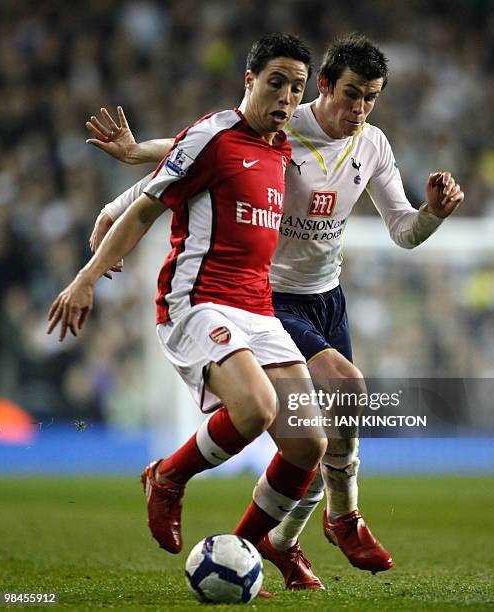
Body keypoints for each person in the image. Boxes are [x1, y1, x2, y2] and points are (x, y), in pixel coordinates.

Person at [85, 34, 465, 590]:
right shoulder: (285, 125)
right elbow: (197, 152)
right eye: (351, 94)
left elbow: (404, 232)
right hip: (269, 296)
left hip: (327, 297)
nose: (359, 109)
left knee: (321, 434)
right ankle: (343, 517)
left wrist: (432, 213)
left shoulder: (373, 145)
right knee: (346, 385)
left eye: (372, 98)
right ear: (325, 88)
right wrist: (114, 203)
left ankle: (278, 542)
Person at [48, 33, 329, 594]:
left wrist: (137, 151)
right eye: (276, 81)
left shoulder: (279, 144)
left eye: (296, 87)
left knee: (308, 444)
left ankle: (250, 550)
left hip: (258, 308)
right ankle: (167, 478)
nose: (286, 96)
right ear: (249, 80)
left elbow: (170, 150)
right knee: (254, 408)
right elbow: (148, 207)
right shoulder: (215, 134)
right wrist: (86, 277)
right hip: (197, 300)